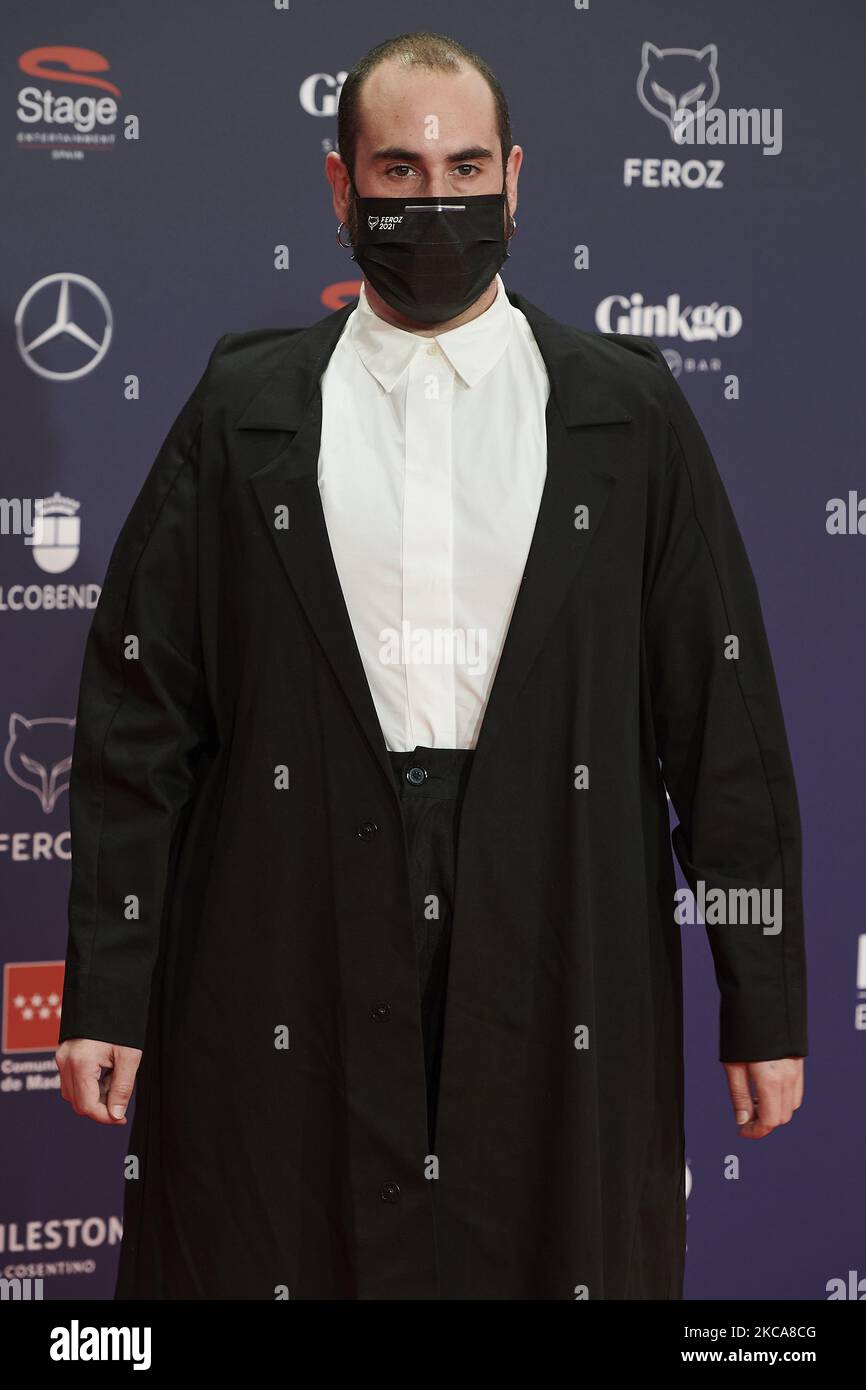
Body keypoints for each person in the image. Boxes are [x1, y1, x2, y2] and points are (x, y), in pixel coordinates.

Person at [55, 31, 807, 1300]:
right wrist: (106, 987)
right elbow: (140, 717)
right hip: (283, 908)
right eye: (397, 171)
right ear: (341, 191)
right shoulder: (244, 412)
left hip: (559, 905)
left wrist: (766, 1003)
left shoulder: (622, 410)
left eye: (463, 166)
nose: (433, 198)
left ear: (515, 182)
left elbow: (718, 722)